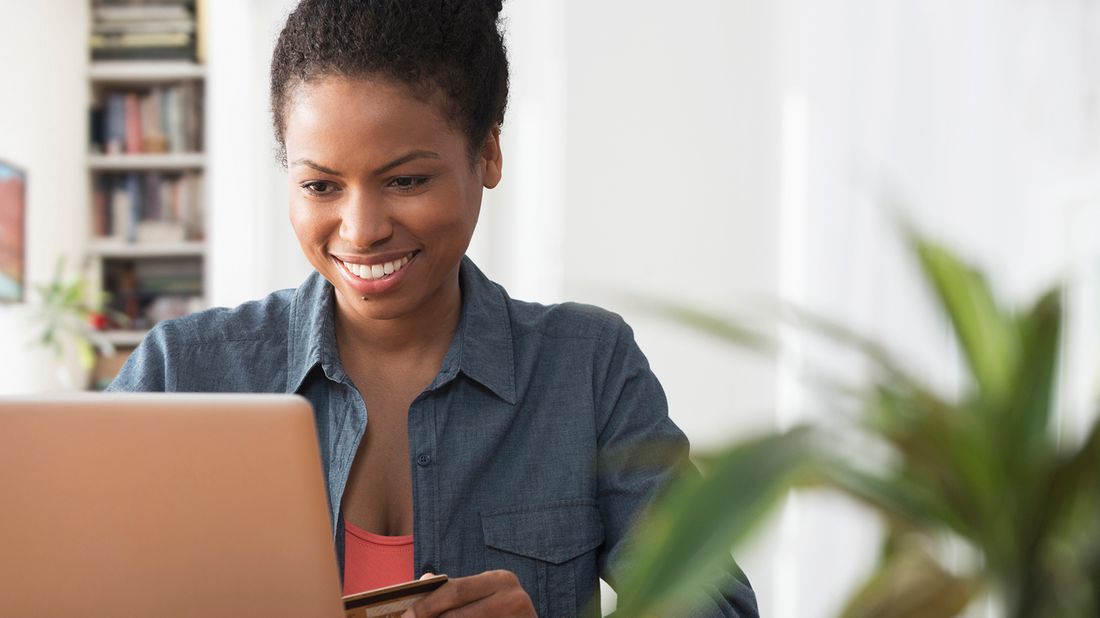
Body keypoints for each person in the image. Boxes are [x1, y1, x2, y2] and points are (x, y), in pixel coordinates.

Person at [108, 0, 758, 615]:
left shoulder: (587, 368)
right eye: (320, 185)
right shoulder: (181, 372)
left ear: (489, 155)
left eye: (406, 180)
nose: (360, 229)